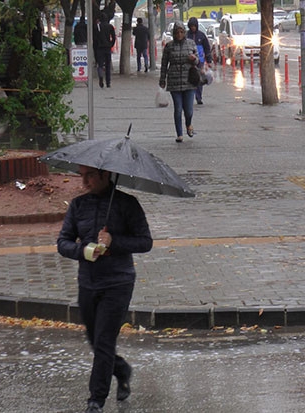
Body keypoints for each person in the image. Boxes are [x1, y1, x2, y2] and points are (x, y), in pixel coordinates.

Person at [57, 165, 153, 413]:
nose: (84, 180)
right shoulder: (78, 206)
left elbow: (145, 242)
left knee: (103, 341)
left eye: (89, 175)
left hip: (118, 283)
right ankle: (121, 369)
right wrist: (83, 250)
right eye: (82, 175)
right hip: (87, 282)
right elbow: (63, 242)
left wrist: (114, 242)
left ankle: (95, 401)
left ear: (104, 175)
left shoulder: (127, 204)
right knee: (94, 339)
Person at [159, 21, 199, 142]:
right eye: (177, 32)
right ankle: (179, 134)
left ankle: (188, 125)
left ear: (184, 32)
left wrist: (194, 59)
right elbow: (164, 64)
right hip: (174, 81)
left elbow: (198, 61)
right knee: (178, 108)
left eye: (181, 32)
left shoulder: (191, 44)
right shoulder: (169, 46)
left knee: (189, 110)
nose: (179, 34)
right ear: (174, 33)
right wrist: (162, 79)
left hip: (189, 81)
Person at [187, 17, 212, 105]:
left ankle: (199, 97)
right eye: (191, 26)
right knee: (190, 79)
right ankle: (190, 97)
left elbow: (207, 48)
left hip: (200, 61)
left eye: (194, 26)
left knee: (199, 79)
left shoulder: (201, 36)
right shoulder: (187, 36)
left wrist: (209, 60)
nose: (193, 28)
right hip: (189, 61)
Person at [93, 12, 116, 88]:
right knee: (108, 65)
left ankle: (100, 77)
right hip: (107, 48)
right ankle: (108, 82)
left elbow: (95, 38)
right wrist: (111, 44)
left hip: (99, 48)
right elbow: (113, 37)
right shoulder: (110, 26)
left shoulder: (97, 27)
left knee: (100, 65)